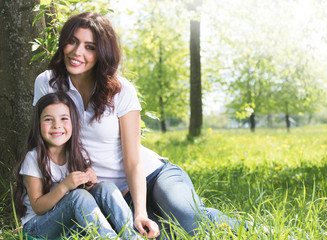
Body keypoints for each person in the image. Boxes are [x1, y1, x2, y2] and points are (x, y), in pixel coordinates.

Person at [32, 12, 245, 239]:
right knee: (164, 235)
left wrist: (140, 212)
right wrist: (33, 210)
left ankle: (247, 227)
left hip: (151, 176)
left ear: (102, 52)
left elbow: (133, 161)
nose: (77, 52)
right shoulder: (47, 83)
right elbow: (43, 147)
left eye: (90, 47)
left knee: (190, 222)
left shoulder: (121, 90)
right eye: (72, 41)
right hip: (111, 195)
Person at [14, 92, 140, 239]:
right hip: (38, 228)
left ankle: (132, 236)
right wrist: (65, 186)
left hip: (68, 224)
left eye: (64, 119)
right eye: (48, 119)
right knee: (77, 197)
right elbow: (38, 206)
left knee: (105, 188)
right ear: (38, 124)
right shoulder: (33, 158)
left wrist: (86, 184)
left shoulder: (74, 154)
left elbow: (73, 202)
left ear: (73, 122)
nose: (57, 125)